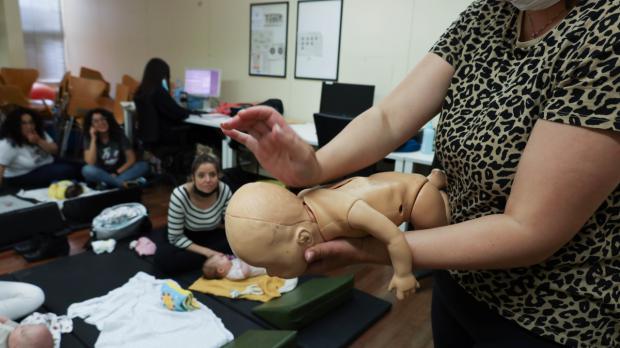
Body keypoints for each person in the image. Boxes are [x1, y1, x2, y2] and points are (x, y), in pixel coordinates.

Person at [220, 0, 619, 346]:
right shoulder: (487, 14)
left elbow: (529, 229)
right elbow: (389, 117)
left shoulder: (607, 30)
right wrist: (315, 164)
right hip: (459, 276)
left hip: (549, 312)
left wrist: (373, 253)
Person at [225, 171, 450, 299]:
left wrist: (403, 274)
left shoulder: (348, 212)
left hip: (417, 196)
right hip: (387, 183)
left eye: (272, 264)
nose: (271, 273)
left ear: (303, 238)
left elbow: (394, 238)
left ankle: (437, 191)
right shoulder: (305, 201)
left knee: (442, 241)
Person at [154, 151, 233, 275]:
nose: (208, 180)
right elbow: (175, 237)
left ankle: (211, 262)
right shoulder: (179, 194)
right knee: (164, 259)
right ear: (193, 177)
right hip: (186, 236)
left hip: (211, 233)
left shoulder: (224, 190)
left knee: (241, 242)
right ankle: (215, 260)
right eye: (201, 175)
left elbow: (229, 223)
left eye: (212, 175)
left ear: (219, 175)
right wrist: (208, 253)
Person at [0, 107, 80, 189]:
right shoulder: (7, 143)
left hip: (47, 162)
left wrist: (38, 141)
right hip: (23, 174)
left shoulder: (37, 132)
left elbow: (55, 150)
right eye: (23, 123)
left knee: (80, 167)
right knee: (67, 171)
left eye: (31, 122)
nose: (29, 126)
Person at [81, 108, 149, 188]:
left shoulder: (119, 135)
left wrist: (116, 173)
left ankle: (108, 184)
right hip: (101, 174)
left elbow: (131, 159)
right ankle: (120, 184)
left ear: (108, 120)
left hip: (120, 172)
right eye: (96, 121)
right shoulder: (89, 138)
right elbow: (90, 163)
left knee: (144, 165)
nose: (101, 123)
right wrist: (93, 139)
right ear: (91, 125)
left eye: (103, 119)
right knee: (87, 170)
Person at [133, 57, 191, 151]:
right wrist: (191, 112)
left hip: (150, 139)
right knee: (203, 132)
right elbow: (178, 113)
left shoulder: (140, 91)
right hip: (165, 137)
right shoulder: (158, 91)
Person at [0, 281, 52, 348]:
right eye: (28, 326)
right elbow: (5, 320)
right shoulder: (16, 328)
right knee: (36, 294)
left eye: (22, 332)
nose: (22, 326)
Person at [202, 253, 267, 280]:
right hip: (263, 267)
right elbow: (245, 272)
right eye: (222, 258)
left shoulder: (230, 263)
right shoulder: (231, 274)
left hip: (257, 260)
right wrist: (243, 260)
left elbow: (235, 258)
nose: (224, 256)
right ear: (221, 270)